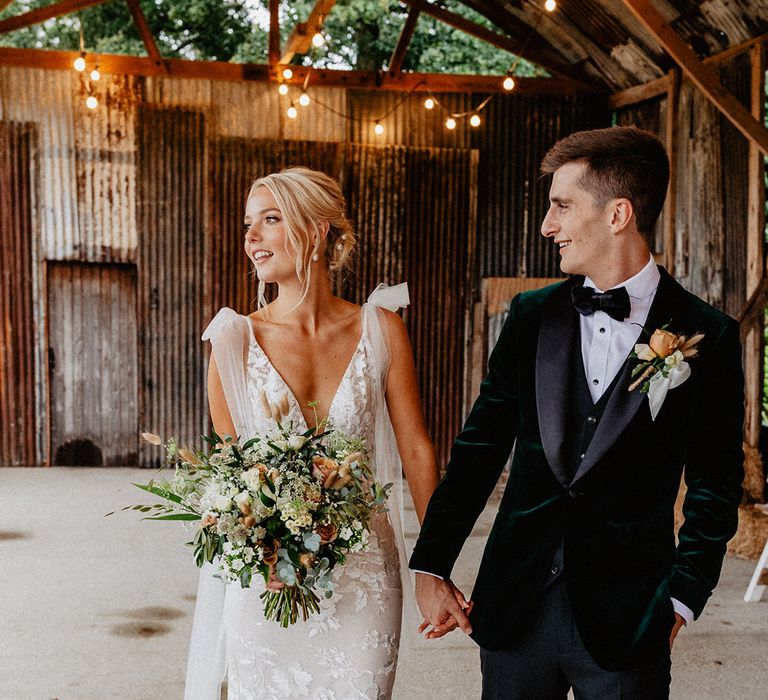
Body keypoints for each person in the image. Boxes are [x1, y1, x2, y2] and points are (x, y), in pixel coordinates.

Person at [410, 126, 744, 699]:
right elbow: (479, 451)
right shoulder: (530, 316)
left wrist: (683, 599)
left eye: (560, 206)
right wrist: (431, 566)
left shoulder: (705, 334)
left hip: (631, 617)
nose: (548, 225)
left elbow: (716, 485)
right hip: (516, 604)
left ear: (618, 214)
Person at [185, 166, 439, 699]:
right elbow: (230, 477)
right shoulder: (232, 340)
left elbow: (415, 446)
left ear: (317, 231)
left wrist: (433, 566)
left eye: (270, 220)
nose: (251, 237)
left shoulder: (381, 327)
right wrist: (261, 553)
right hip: (266, 579)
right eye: (248, 224)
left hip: (364, 575)